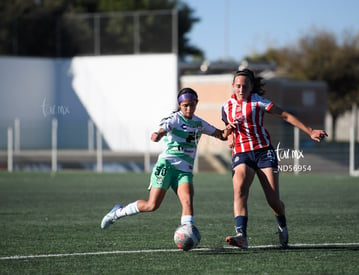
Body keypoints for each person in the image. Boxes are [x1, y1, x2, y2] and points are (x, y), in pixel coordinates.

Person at [221, 69, 327, 249]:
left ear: (251, 87)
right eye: (238, 86)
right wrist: (229, 136)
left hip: (263, 152)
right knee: (239, 190)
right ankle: (241, 235)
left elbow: (285, 115)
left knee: (273, 200)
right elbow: (226, 131)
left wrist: (310, 131)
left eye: (245, 86)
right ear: (233, 86)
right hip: (242, 153)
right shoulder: (225, 107)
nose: (241, 89)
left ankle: (282, 224)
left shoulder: (258, 102)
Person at [101, 88, 231, 230]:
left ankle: (187, 234)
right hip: (166, 166)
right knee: (152, 205)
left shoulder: (199, 123)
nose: (189, 108)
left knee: (187, 201)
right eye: (185, 105)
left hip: (184, 171)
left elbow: (222, 135)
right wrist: (158, 134)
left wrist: (230, 128)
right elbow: (163, 129)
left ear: (196, 103)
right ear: (179, 105)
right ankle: (117, 213)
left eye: (192, 104)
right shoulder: (175, 118)